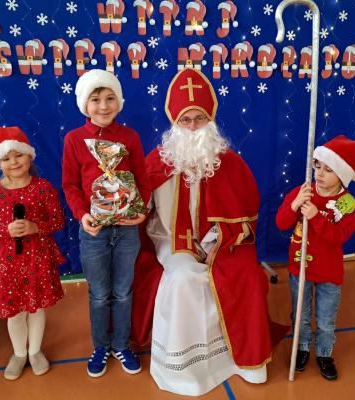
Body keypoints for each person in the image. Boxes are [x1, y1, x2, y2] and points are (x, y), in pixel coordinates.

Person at [131, 68, 276, 396]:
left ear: (210, 119)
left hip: (221, 243)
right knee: (183, 278)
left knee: (246, 275)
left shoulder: (229, 162)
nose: (193, 126)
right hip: (171, 240)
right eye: (186, 120)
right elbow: (141, 208)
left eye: (199, 118)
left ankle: (245, 361)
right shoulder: (157, 162)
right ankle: (186, 370)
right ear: (174, 122)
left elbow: (246, 216)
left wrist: (221, 241)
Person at [62, 69, 151, 378]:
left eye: (110, 98)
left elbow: (142, 180)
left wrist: (142, 210)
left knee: (123, 291)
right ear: (85, 104)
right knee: (99, 293)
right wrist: (82, 214)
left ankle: (121, 344)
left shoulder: (130, 138)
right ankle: (100, 345)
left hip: (127, 229)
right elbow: (70, 184)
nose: (103, 106)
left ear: (119, 101)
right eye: (96, 99)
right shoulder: (74, 140)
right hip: (94, 230)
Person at [275, 135, 355, 380]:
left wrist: (315, 217)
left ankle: (324, 354)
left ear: (342, 175)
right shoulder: (303, 191)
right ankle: (302, 349)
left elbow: (338, 237)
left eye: (328, 169)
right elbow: (281, 223)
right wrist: (294, 205)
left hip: (329, 273)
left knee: (325, 319)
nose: (320, 173)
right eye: (318, 166)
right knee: (301, 316)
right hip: (300, 268)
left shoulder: (347, 204)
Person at [0, 126, 65, 380]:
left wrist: (35, 227)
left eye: (19, 155)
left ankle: (35, 351)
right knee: (15, 312)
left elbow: (58, 220)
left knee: (35, 308)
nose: (14, 162)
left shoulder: (44, 188)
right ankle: (19, 353)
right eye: (7, 158)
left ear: (29, 156)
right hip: (6, 263)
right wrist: (5, 230)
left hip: (37, 259)